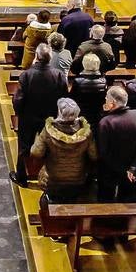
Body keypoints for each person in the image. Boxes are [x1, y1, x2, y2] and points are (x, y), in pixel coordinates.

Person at [10, 44, 68, 187]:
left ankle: (21, 177)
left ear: (36, 56)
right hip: (50, 118)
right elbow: (63, 97)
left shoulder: (27, 75)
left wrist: (19, 113)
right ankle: (49, 178)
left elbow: (18, 99)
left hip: (29, 117)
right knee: (50, 148)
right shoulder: (59, 75)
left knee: (24, 147)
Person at [30, 98, 97, 203]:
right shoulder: (86, 133)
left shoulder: (48, 132)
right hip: (78, 178)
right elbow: (94, 155)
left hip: (53, 178)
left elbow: (36, 152)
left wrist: (36, 138)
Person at [95, 86, 136, 204]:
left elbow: (103, 151)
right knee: (127, 197)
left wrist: (122, 170)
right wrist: (133, 167)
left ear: (112, 103)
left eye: (106, 100)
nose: (105, 102)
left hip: (111, 169)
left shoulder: (105, 122)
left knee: (106, 197)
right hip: (132, 167)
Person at [70, 52, 108, 133]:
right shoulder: (103, 81)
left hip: (82, 114)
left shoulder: (78, 81)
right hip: (97, 115)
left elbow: (72, 98)